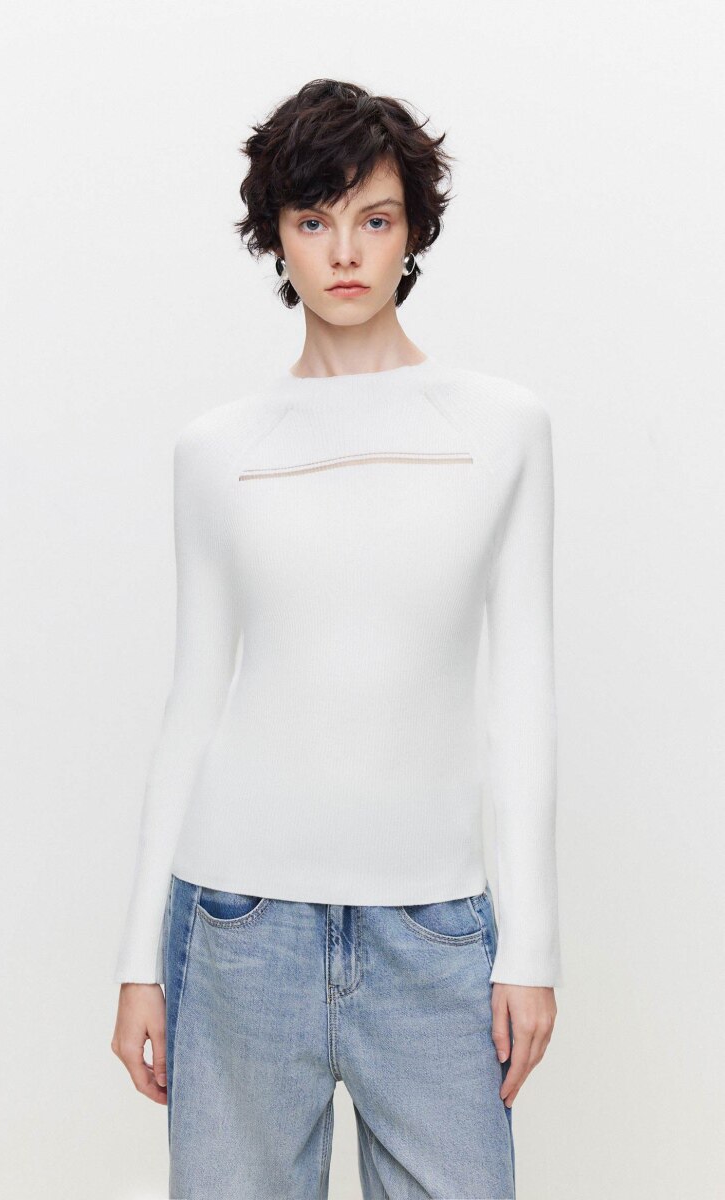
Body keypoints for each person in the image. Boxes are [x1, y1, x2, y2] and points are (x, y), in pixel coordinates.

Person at [110, 77, 562, 1200]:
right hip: (236, 925)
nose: (346, 252)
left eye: (375, 218)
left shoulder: (502, 429)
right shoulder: (216, 449)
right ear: (277, 237)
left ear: (414, 232)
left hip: (437, 931)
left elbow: (522, 699)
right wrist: (136, 962)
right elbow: (193, 701)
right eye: (314, 220)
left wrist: (533, 948)